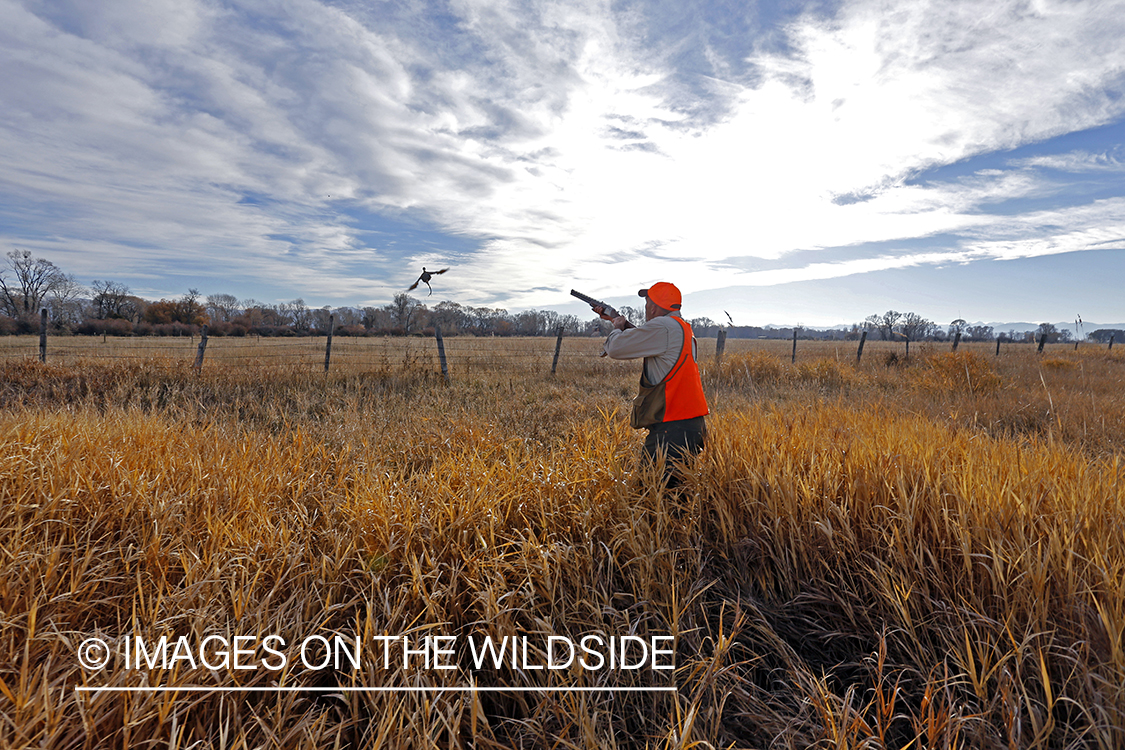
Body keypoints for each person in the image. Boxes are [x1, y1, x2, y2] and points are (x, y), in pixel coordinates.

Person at [596, 282, 709, 486]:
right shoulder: (683, 329)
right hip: (692, 426)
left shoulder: (662, 327)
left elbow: (616, 348)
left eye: (647, 303)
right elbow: (650, 340)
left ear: (654, 307)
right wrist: (618, 321)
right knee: (677, 499)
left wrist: (617, 327)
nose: (646, 308)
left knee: (652, 496)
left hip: (671, 430)